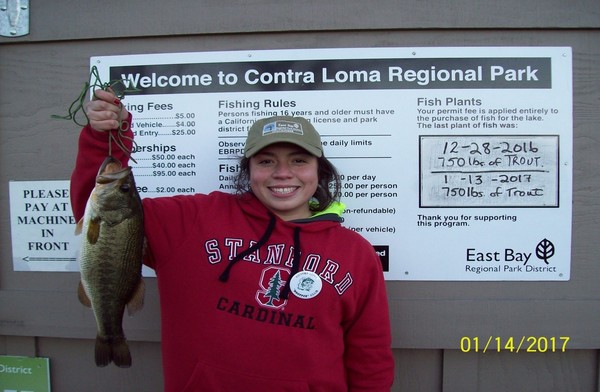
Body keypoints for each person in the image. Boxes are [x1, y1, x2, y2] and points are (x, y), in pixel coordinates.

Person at [70, 89, 394, 391]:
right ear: (248, 169)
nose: (283, 173)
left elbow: (370, 356)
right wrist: (106, 137)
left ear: (319, 171)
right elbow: (101, 218)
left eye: (299, 160)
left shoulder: (356, 253)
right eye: (266, 161)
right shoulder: (194, 218)